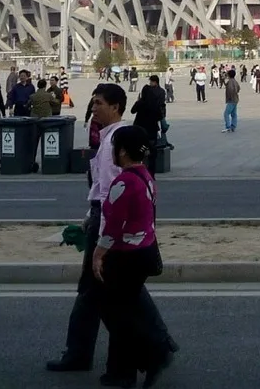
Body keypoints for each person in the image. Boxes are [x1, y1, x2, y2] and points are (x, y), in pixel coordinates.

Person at [46, 83, 176, 376]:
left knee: (98, 292)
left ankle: (92, 356)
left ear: (116, 106)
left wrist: (103, 239)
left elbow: (111, 194)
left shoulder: (115, 143)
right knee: (116, 292)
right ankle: (156, 346)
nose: (93, 108)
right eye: (93, 102)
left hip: (106, 226)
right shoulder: (111, 139)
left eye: (99, 103)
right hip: (103, 222)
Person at [94, 125, 173, 388]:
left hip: (126, 256)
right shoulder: (145, 177)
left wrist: (98, 253)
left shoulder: (123, 182)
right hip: (144, 250)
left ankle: (151, 356)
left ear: (123, 151)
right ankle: (135, 363)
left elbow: (114, 226)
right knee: (126, 310)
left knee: (117, 314)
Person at [132, 76, 168, 174]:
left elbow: (132, 111)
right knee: (152, 152)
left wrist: (138, 101)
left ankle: (141, 169)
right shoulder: (155, 105)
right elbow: (159, 116)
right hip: (151, 131)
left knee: (141, 150)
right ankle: (151, 172)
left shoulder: (140, 103)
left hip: (140, 131)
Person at [222, 68, 240, 133]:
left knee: (226, 113)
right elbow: (238, 88)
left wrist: (229, 98)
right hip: (235, 99)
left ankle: (228, 127)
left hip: (231, 100)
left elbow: (230, 90)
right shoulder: (235, 81)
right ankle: (233, 126)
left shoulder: (230, 82)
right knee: (234, 114)